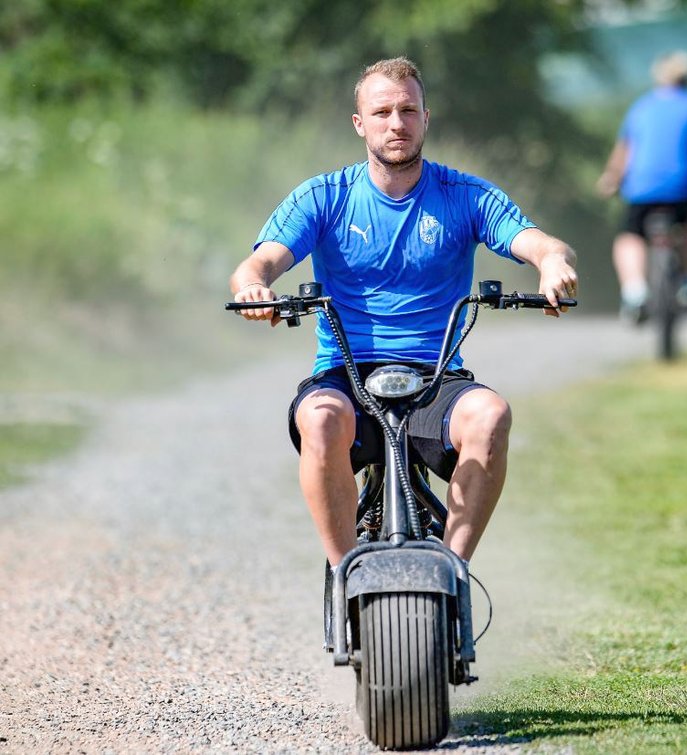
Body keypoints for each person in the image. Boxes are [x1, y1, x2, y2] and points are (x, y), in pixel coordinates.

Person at [228, 57, 578, 569]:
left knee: (491, 415)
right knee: (320, 419)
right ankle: (347, 571)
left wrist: (551, 266)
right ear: (360, 123)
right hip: (346, 379)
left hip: (438, 379)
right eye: (383, 111)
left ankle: (454, 570)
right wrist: (255, 289)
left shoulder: (466, 196)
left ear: (425, 117)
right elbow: (255, 266)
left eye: (408, 110)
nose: (397, 123)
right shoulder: (325, 197)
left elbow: (544, 244)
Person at [596, 50, 687, 323]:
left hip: (640, 187)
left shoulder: (641, 107)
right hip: (681, 187)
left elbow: (623, 153)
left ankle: (634, 291)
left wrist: (612, 178)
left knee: (629, 236)